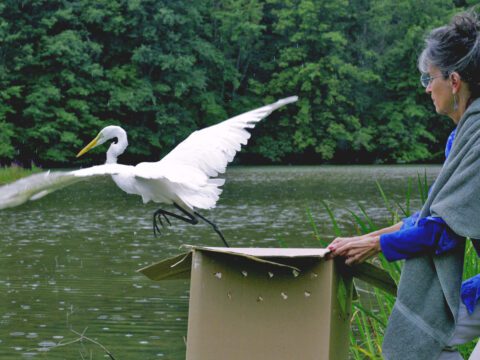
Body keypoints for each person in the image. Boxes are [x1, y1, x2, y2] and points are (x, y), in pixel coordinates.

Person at [328, 10, 480, 360]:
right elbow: (431, 218)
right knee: (422, 332)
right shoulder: (463, 137)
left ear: (454, 81)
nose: (427, 88)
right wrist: (366, 238)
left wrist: (377, 245)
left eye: (430, 79)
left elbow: (441, 232)